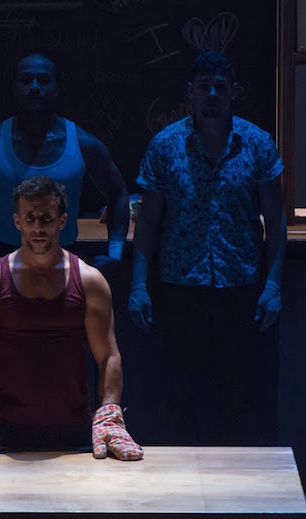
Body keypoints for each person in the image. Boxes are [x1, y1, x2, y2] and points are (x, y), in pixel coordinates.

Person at [129, 51, 285, 446]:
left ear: (234, 92)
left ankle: (235, 489)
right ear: (190, 93)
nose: (212, 94)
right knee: (180, 392)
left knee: (239, 392)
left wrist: (273, 285)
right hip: (181, 287)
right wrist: (138, 286)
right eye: (204, 87)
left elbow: (275, 220)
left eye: (220, 86)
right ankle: (181, 489)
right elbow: (148, 222)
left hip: (241, 286)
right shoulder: (166, 146)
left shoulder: (257, 144)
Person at [0, 176, 143, 461]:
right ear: (17, 221)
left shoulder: (90, 282)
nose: (38, 227)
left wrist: (109, 414)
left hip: (73, 431)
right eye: (30, 218)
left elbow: (109, 356)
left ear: (62, 220)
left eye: (46, 218)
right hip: (5, 433)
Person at [0, 52, 129, 271]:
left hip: (65, 262)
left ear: (56, 88)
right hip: (7, 261)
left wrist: (115, 253)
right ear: (14, 87)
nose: (35, 87)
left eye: (44, 80)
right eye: (26, 80)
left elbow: (118, 192)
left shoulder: (84, 144)